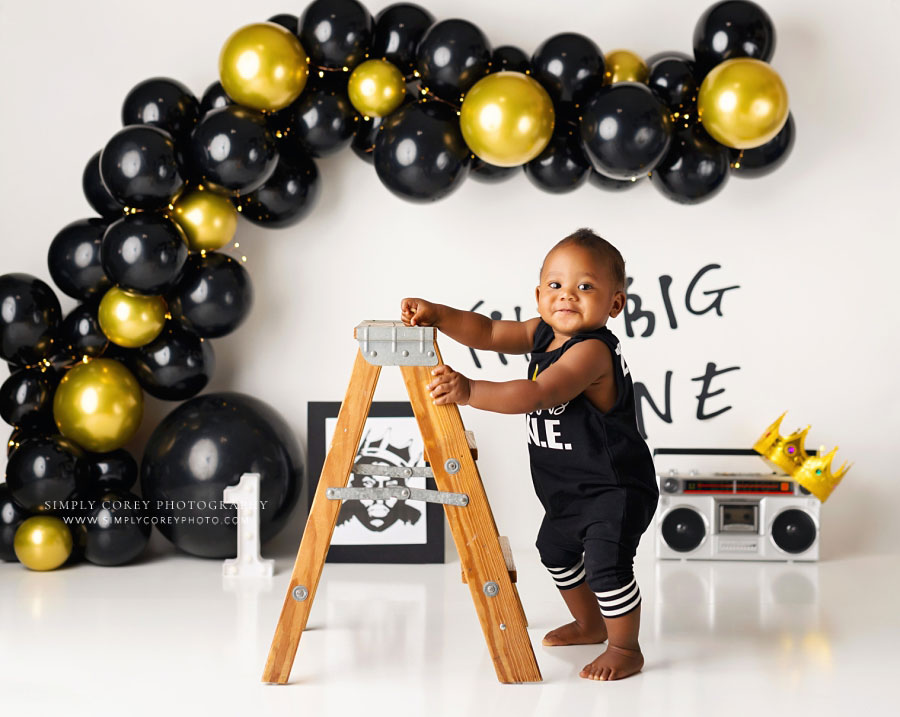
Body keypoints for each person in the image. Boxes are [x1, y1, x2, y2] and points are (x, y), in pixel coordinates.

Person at [400, 228, 658, 681]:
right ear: (538, 295)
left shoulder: (593, 352)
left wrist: (471, 390)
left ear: (614, 304)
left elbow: (541, 392)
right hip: (568, 488)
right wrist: (439, 315)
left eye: (586, 287)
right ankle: (589, 623)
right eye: (556, 285)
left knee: (606, 565)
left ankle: (625, 646)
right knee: (554, 550)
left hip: (614, 488)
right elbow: (487, 331)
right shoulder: (542, 332)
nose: (567, 296)